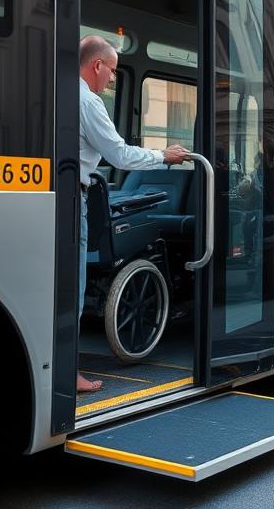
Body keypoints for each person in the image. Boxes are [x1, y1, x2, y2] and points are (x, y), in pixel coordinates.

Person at [78, 36, 190, 392]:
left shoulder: (57, 90)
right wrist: (163, 156)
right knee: (72, 289)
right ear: (97, 65)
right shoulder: (88, 101)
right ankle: (67, 371)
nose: (113, 78)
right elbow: (120, 156)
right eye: (112, 70)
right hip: (73, 198)